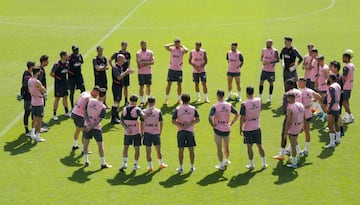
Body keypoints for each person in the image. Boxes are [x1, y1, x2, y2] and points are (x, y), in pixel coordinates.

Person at [208, 90, 239, 170]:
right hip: (227, 128)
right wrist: (232, 123)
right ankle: (227, 160)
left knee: (219, 148)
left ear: (217, 95)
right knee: (226, 146)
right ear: (224, 95)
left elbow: (209, 117)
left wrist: (213, 125)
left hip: (218, 129)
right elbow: (237, 114)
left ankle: (221, 164)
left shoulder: (215, 106)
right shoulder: (229, 105)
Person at [273, 79, 302, 160]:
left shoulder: (287, 94)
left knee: (284, 134)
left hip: (290, 114)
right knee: (294, 135)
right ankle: (299, 152)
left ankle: (281, 154)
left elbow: (285, 109)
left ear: (288, 85)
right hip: (299, 113)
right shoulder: (299, 92)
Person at [83, 88, 112, 169]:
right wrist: (91, 126)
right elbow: (99, 120)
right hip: (96, 128)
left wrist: (88, 123)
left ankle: (86, 161)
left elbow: (85, 112)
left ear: (98, 93)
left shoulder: (90, 101)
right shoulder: (103, 107)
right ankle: (103, 163)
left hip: (86, 125)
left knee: (85, 144)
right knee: (100, 146)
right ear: (105, 95)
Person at [240, 87, 267, 170]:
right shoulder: (259, 100)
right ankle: (264, 163)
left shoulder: (244, 104)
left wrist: (240, 128)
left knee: (249, 146)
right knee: (259, 145)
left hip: (248, 128)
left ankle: (252, 165)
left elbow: (242, 117)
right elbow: (260, 109)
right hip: (257, 126)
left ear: (246, 93)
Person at [172, 94, 200, 173]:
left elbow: (173, 121)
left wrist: (181, 125)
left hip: (181, 131)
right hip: (190, 131)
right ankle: (192, 167)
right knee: (191, 149)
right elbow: (197, 119)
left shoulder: (178, 109)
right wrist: (189, 124)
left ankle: (181, 167)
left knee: (181, 149)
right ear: (189, 100)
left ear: (181, 100)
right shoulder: (193, 108)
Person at [140, 97, 168, 172]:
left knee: (148, 151)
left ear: (148, 102)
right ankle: (161, 164)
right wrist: (160, 132)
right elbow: (161, 123)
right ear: (155, 102)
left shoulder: (144, 111)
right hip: (155, 133)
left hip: (147, 133)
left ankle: (150, 166)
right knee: (158, 150)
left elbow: (141, 123)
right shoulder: (158, 111)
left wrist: (141, 133)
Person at [71, 86, 100, 152]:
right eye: (97, 94)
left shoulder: (84, 93)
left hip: (74, 113)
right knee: (85, 132)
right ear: (94, 91)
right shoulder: (89, 98)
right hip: (79, 115)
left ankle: (75, 145)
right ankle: (84, 150)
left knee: (78, 129)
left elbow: (76, 102)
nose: (97, 96)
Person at [119, 94, 144, 171]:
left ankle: (124, 163)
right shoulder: (137, 109)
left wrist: (126, 128)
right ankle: (135, 165)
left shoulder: (124, 109)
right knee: (137, 148)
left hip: (127, 132)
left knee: (126, 147)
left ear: (130, 100)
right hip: (136, 132)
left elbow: (121, 121)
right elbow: (143, 116)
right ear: (136, 101)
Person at [298, 78, 322, 156]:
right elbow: (319, 97)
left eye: (299, 82)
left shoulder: (300, 92)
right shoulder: (310, 91)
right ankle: (306, 149)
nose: (298, 83)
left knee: (296, 131)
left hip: (302, 113)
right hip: (308, 112)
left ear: (302, 83)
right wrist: (313, 101)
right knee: (306, 131)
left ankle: (295, 150)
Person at [164, 38, 189, 105]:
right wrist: (173, 44)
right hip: (171, 69)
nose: (177, 44)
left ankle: (179, 99)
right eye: (176, 43)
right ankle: (166, 99)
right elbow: (165, 46)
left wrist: (181, 45)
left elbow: (187, 50)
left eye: (178, 43)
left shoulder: (181, 50)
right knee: (169, 84)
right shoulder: (172, 49)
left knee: (179, 85)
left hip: (179, 70)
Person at [283, 92, 305, 168]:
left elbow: (288, 121)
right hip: (299, 126)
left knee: (293, 145)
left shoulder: (290, 108)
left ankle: (294, 162)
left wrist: (285, 132)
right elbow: (304, 116)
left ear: (289, 98)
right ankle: (300, 152)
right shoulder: (301, 105)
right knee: (295, 140)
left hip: (293, 128)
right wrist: (303, 126)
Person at [110, 54, 133, 124]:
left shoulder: (120, 67)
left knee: (118, 101)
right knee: (116, 102)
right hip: (116, 86)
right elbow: (119, 77)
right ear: (119, 59)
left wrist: (127, 72)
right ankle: (113, 118)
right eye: (123, 59)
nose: (124, 61)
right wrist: (126, 72)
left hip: (119, 86)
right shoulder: (115, 68)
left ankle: (116, 116)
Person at [50, 51, 70, 120]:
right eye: (67, 55)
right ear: (63, 56)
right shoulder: (57, 64)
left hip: (65, 83)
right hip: (58, 84)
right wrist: (58, 78)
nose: (68, 56)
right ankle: (55, 114)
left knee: (65, 97)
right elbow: (51, 73)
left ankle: (66, 111)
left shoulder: (67, 63)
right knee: (57, 98)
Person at [28, 66, 47, 142]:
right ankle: (38, 136)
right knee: (39, 120)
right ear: (38, 72)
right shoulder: (37, 82)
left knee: (35, 118)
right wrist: (42, 88)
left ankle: (32, 133)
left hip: (33, 101)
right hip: (39, 102)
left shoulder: (30, 80)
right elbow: (44, 90)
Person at [110, 41, 131, 106]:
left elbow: (129, 62)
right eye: (124, 45)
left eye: (126, 45)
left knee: (125, 86)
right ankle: (117, 103)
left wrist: (128, 69)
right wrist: (113, 67)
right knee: (119, 87)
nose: (125, 47)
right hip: (119, 72)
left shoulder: (128, 53)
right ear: (121, 46)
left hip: (125, 72)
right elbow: (110, 60)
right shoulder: (117, 53)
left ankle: (125, 100)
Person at [324, 74, 342, 148]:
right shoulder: (338, 85)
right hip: (337, 107)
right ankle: (338, 139)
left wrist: (329, 108)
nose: (328, 79)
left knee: (330, 126)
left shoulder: (331, 87)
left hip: (332, 108)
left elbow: (333, 98)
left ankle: (332, 143)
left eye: (328, 78)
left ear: (331, 78)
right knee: (336, 123)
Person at [136, 40, 154, 108]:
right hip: (141, 72)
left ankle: (148, 98)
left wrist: (144, 62)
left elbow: (152, 62)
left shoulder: (150, 52)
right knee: (141, 86)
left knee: (148, 86)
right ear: (141, 45)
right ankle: (141, 101)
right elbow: (139, 63)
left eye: (145, 44)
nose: (144, 46)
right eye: (142, 45)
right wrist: (148, 62)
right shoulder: (138, 53)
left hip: (148, 72)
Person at [329, 60, 345, 136]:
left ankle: (341, 130)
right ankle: (337, 129)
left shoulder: (337, 78)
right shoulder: (336, 76)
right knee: (336, 115)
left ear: (336, 68)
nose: (330, 67)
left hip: (337, 99)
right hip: (337, 98)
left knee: (338, 115)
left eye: (331, 66)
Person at [20, 61, 35, 136]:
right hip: (27, 96)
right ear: (30, 67)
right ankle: (26, 130)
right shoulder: (27, 75)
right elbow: (26, 86)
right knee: (27, 112)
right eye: (33, 66)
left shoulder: (28, 74)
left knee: (31, 112)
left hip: (30, 96)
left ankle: (33, 128)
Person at [68, 45, 85, 110]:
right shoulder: (70, 58)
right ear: (72, 50)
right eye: (75, 50)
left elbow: (81, 62)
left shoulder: (80, 56)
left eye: (77, 50)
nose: (76, 51)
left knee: (83, 90)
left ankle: (82, 104)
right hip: (72, 77)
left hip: (79, 75)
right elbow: (67, 67)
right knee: (72, 92)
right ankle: (72, 106)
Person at [342, 49, 355, 123]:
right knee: (346, 101)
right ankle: (347, 116)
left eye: (344, 57)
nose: (343, 58)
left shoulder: (346, 67)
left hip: (346, 87)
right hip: (350, 86)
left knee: (344, 102)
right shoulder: (352, 65)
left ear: (347, 58)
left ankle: (350, 116)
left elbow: (344, 78)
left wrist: (341, 85)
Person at [316, 55, 330, 121]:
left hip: (324, 89)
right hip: (320, 88)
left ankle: (327, 115)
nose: (317, 62)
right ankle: (324, 114)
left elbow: (328, 78)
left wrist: (324, 83)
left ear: (322, 60)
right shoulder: (320, 67)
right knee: (321, 102)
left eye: (318, 61)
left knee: (324, 103)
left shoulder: (325, 68)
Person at [38, 55, 49, 132]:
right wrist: (43, 93)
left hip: (40, 93)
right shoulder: (41, 71)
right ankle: (39, 125)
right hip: (40, 94)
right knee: (40, 109)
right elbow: (38, 84)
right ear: (43, 61)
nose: (48, 62)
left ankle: (40, 122)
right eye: (47, 61)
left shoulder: (40, 69)